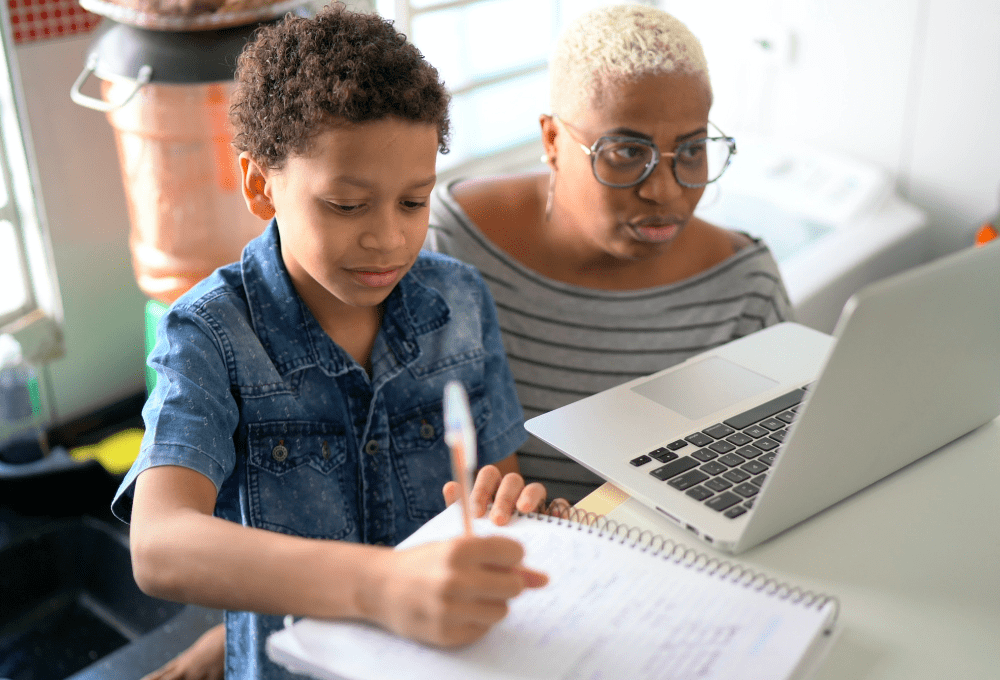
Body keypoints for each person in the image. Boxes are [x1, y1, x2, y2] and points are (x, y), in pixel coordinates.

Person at [113, 5, 555, 680]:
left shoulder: (461, 302)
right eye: (347, 206)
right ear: (261, 185)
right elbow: (159, 544)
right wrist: (378, 584)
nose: (387, 237)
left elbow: (502, 477)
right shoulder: (208, 334)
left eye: (413, 202)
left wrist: (505, 503)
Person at [426, 3, 793, 504]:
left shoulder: (746, 288)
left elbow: (777, 473)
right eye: (626, 152)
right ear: (552, 140)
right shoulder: (450, 245)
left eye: (690, 151)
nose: (665, 191)